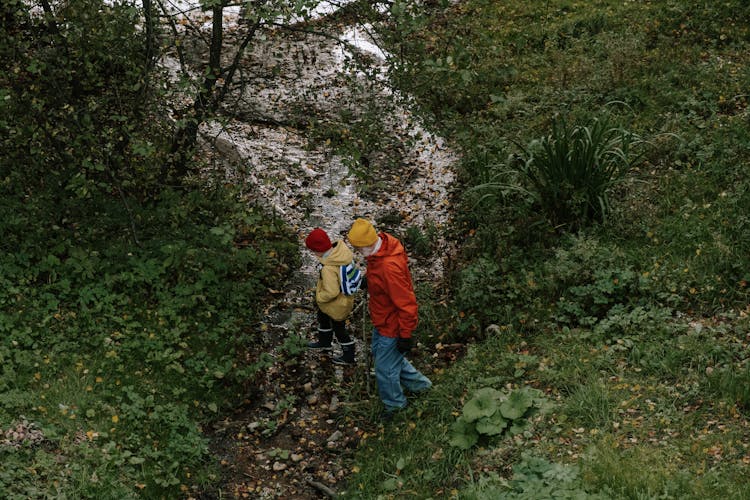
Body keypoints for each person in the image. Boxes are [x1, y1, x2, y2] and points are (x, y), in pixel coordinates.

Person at [347, 218, 431, 417]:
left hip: (392, 326)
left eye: (358, 249)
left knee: (385, 369)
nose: (358, 253)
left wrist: (405, 335)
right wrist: (371, 282)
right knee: (390, 359)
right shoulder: (383, 246)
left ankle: (396, 408)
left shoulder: (388, 267)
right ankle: (422, 387)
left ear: (368, 244)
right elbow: (382, 280)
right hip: (382, 319)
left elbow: (406, 303)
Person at [304, 228, 357, 365]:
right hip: (343, 300)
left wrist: (320, 297)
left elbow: (331, 292)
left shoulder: (328, 268)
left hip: (336, 305)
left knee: (339, 329)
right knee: (323, 317)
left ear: (318, 250)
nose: (313, 254)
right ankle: (324, 342)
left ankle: (349, 355)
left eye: (313, 251)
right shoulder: (340, 253)